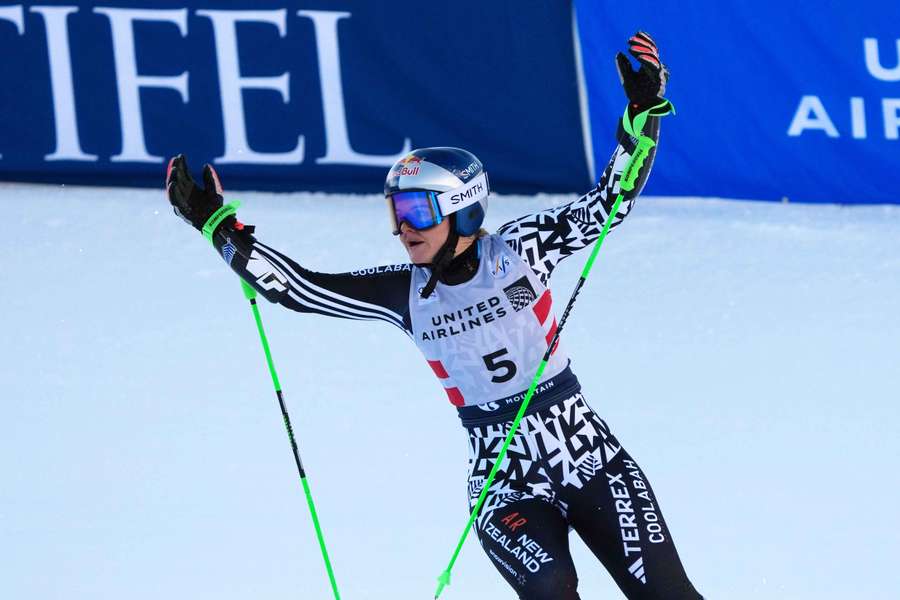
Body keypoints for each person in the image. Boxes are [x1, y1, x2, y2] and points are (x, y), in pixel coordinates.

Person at [167, 31, 700, 600]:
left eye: (418, 211)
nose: (404, 229)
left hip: (590, 457)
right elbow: (298, 289)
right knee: (552, 590)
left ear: (462, 210)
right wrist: (217, 227)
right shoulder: (404, 293)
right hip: (504, 483)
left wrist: (642, 111)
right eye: (396, 213)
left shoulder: (522, 248)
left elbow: (610, 202)